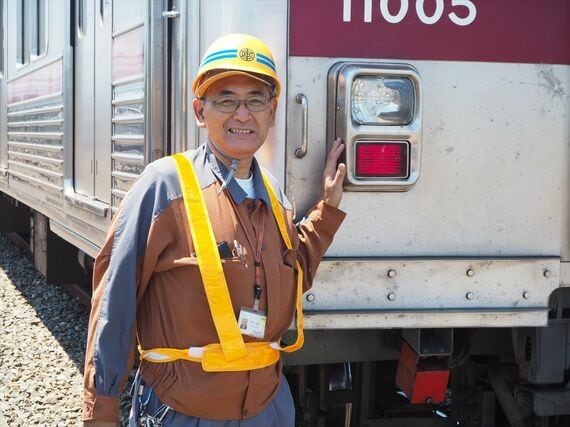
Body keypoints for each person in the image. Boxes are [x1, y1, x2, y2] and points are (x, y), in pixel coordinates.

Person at [83, 33, 346, 427]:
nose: (243, 114)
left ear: (272, 112)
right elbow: (114, 299)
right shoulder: (165, 187)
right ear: (200, 111)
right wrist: (100, 410)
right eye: (226, 99)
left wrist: (327, 209)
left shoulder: (274, 195)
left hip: (268, 408)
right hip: (183, 410)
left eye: (255, 100)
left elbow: (292, 276)